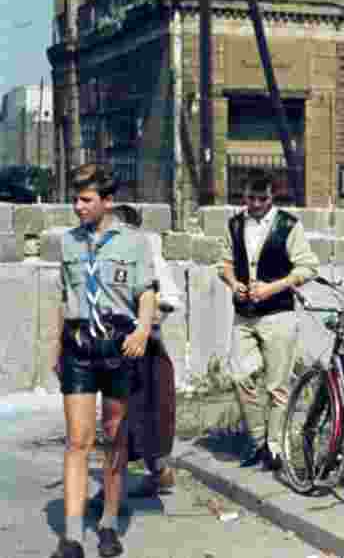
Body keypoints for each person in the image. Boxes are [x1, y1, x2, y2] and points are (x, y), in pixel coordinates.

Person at [50, 164, 157, 558]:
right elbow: (64, 298)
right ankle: (73, 534)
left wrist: (142, 332)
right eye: (75, 199)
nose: (77, 206)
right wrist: (56, 350)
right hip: (79, 345)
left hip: (118, 345)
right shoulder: (68, 243)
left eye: (85, 200)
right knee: (77, 441)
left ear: (107, 202)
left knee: (113, 436)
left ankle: (109, 522)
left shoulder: (133, 242)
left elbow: (146, 291)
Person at [219, 169, 319, 470]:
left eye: (262, 198)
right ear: (244, 196)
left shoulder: (288, 225)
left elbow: (307, 268)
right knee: (240, 375)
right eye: (250, 198)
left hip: (279, 314)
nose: (256, 204)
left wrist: (270, 288)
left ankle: (275, 448)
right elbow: (224, 261)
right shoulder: (235, 224)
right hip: (244, 314)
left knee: (277, 385)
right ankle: (257, 440)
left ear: (271, 196)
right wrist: (233, 282)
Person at [111, 204, 183, 496]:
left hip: (145, 346)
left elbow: (169, 296)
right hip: (115, 344)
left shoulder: (146, 252)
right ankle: (118, 484)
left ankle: (156, 471)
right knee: (120, 413)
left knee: (146, 411)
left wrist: (154, 314)